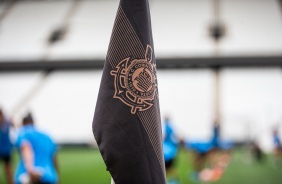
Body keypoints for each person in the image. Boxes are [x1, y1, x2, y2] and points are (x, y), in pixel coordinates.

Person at [14, 114, 59, 184]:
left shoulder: (23, 133)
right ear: (33, 122)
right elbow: (54, 159)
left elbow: (26, 148)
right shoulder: (47, 135)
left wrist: (30, 170)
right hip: (48, 176)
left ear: (23, 123)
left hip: (28, 176)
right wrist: (56, 176)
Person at [163, 116, 179, 184]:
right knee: (171, 167)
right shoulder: (171, 127)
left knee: (166, 168)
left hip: (167, 152)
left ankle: (170, 180)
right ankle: (174, 180)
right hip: (172, 151)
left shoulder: (167, 127)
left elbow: (166, 136)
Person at [0, 109, 13, 184]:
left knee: (8, 169)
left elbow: (15, 125)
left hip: (6, 150)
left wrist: (11, 120)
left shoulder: (7, 123)